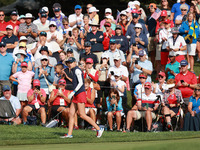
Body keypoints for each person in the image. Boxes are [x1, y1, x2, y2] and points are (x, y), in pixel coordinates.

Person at [60, 57, 104, 138]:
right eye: (68, 63)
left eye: (71, 62)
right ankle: (69, 134)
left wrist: (73, 91)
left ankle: (98, 128)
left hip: (80, 94)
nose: (69, 64)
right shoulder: (73, 70)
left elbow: (81, 83)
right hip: (76, 94)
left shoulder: (76, 70)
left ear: (74, 62)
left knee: (82, 115)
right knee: (71, 113)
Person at [146, 3, 157, 67]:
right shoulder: (148, 17)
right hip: (150, 36)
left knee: (156, 52)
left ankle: (155, 67)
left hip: (156, 35)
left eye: (152, 8)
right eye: (150, 8)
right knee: (151, 52)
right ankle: (152, 66)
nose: (151, 9)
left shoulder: (158, 16)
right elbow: (146, 25)